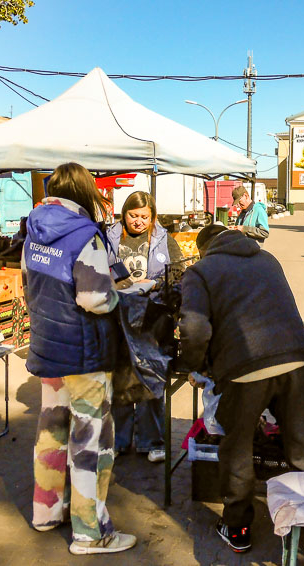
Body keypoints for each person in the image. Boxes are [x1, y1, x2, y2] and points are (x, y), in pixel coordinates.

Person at [179, 224, 304, 554]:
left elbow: (193, 327)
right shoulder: (268, 258)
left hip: (244, 370)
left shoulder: (200, 271)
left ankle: (238, 528)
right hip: (297, 362)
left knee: (238, 448)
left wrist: (196, 363)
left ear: (204, 249)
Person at [22, 162, 136, 555]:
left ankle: (46, 511)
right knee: (90, 442)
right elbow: (94, 298)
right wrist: (122, 294)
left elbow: (32, 284)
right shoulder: (84, 233)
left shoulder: (33, 228)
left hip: (47, 349)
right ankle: (91, 534)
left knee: (51, 433)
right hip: (84, 356)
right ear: (85, 191)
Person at [106, 191, 182, 463]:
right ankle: (119, 440)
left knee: (151, 378)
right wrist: (113, 282)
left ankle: (152, 441)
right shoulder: (109, 238)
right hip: (117, 318)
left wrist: (157, 285)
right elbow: (99, 270)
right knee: (121, 378)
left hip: (152, 319)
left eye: (144, 217)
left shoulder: (165, 240)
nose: (138, 222)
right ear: (124, 214)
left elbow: (178, 276)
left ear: (153, 217)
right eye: (133, 216)